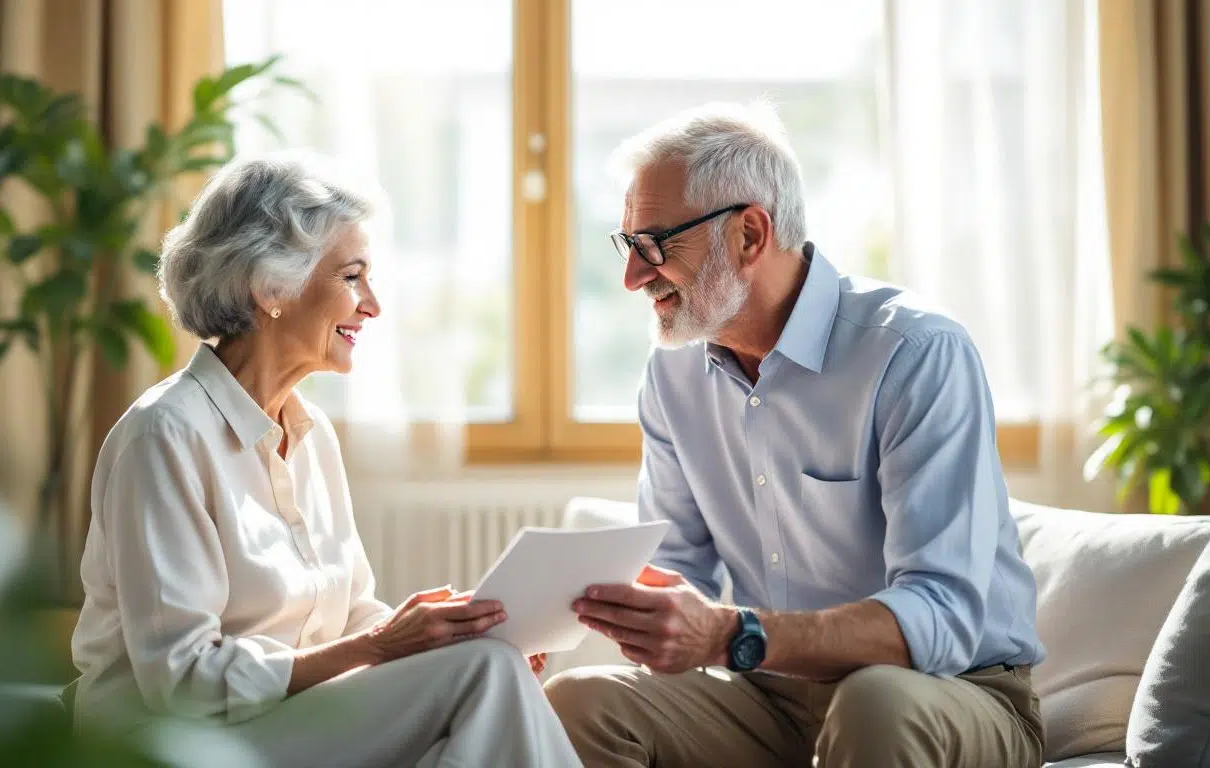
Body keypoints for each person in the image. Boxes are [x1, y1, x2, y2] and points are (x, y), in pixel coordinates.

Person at [543, 102, 1046, 768]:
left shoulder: (916, 353)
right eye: (628, 245)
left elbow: (942, 613)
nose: (633, 277)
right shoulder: (672, 374)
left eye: (656, 245)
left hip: (951, 690)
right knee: (580, 701)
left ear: (750, 235)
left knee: (875, 703)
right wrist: (562, 614)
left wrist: (732, 634)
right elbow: (676, 575)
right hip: (770, 695)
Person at [71, 150, 581, 768]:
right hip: (176, 743)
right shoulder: (164, 436)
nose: (373, 305)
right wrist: (381, 646)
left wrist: (441, 633)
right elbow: (183, 682)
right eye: (352, 277)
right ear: (270, 288)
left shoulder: (311, 436)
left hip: (283, 720)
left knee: (489, 661)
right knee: (485, 674)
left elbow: (350, 617)